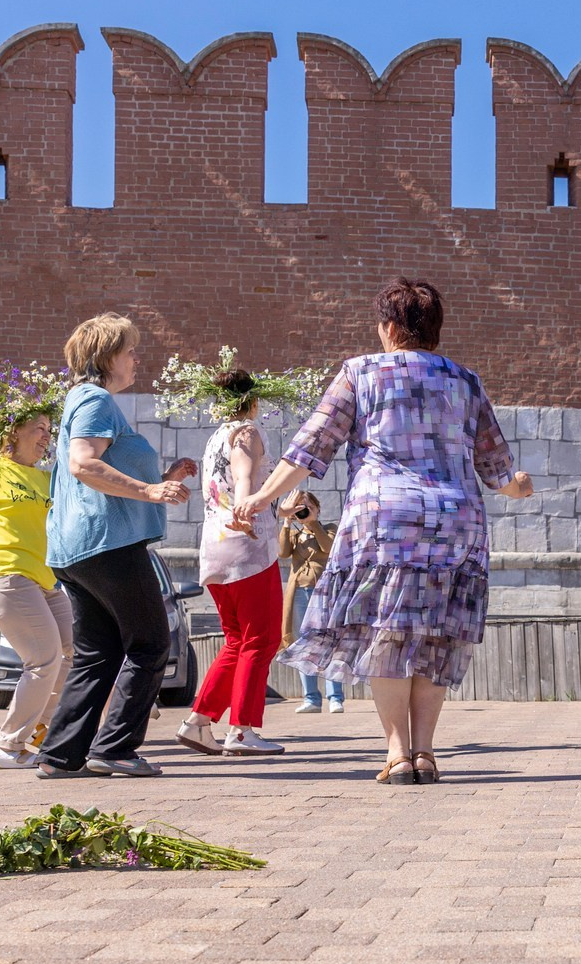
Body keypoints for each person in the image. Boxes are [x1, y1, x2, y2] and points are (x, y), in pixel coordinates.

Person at [236, 279, 533, 784]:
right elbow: (498, 467)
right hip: (455, 525)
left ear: (390, 328)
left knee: (387, 635)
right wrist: (515, 488)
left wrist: (261, 497)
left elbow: (312, 446)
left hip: (385, 522)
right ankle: (426, 753)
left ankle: (397, 752)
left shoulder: (360, 372)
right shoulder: (466, 381)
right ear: (433, 331)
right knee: (435, 636)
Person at [36, 314, 196, 780]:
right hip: (107, 545)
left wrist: (162, 481)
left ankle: (61, 755)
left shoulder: (84, 400)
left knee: (96, 652)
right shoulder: (96, 399)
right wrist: (150, 492)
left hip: (78, 548)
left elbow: (94, 474)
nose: (136, 359)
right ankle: (115, 749)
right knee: (150, 643)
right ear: (107, 357)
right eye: (130, 351)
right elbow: (85, 465)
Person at [177, 371, 288, 758]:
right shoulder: (246, 432)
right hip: (247, 546)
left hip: (215, 548)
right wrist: (246, 506)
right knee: (261, 638)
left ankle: (198, 722)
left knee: (237, 640)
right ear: (254, 400)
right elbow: (243, 476)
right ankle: (241, 730)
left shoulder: (214, 437)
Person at [280, 495, 345, 714]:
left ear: (318, 508)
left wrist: (312, 522)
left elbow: (328, 548)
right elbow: (282, 553)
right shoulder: (295, 534)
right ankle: (311, 699)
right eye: (301, 508)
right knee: (303, 644)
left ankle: (335, 697)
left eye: (309, 507)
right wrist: (288, 521)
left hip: (324, 592)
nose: (305, 511)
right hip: (299, 591)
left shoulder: (329, 528)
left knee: (329, 642)